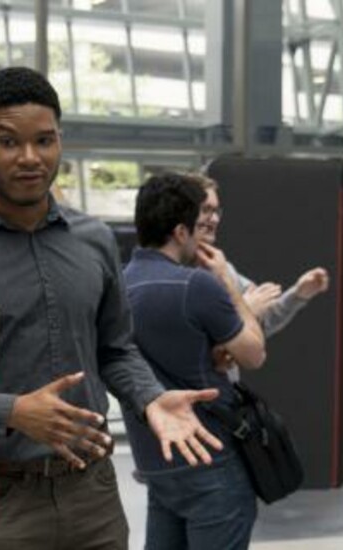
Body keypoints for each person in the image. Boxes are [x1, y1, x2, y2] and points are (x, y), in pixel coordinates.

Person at [0, 67, 223, 550]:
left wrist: (151, 396)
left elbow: (115, 349)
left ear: (60, 141)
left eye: (44, 140)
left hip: (90, 494)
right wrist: (12, 411)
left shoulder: (93, 240)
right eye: (9, 142)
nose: (30, 158)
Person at [123, 173, 266, 550]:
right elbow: (253, 353)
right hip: (210, 458)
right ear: (182, 232)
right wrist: (230, 286)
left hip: (155, 462)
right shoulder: (195, 285)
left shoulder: (118, 286)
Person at [192, 174, 329, 338]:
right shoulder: (171, 271)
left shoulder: (222, 267)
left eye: (216, 211)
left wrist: (298, 294)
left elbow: (262, 321)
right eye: (206, 210)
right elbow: (187, 341)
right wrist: (243, 312)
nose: (214, 219)